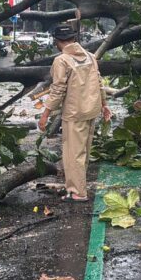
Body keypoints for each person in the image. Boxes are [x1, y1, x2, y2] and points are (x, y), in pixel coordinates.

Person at [39, 25, 112, 202]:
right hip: (91, 110)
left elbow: (57, 90)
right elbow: (99, 82)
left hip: (74, 113)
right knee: (83, 152)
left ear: (57, 41)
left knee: (73, 154)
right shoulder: (90, 56)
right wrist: (104, 104)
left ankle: (78, 192)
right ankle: (76, 185)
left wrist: (45, 114)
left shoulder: (62, 60)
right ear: (74, 38)